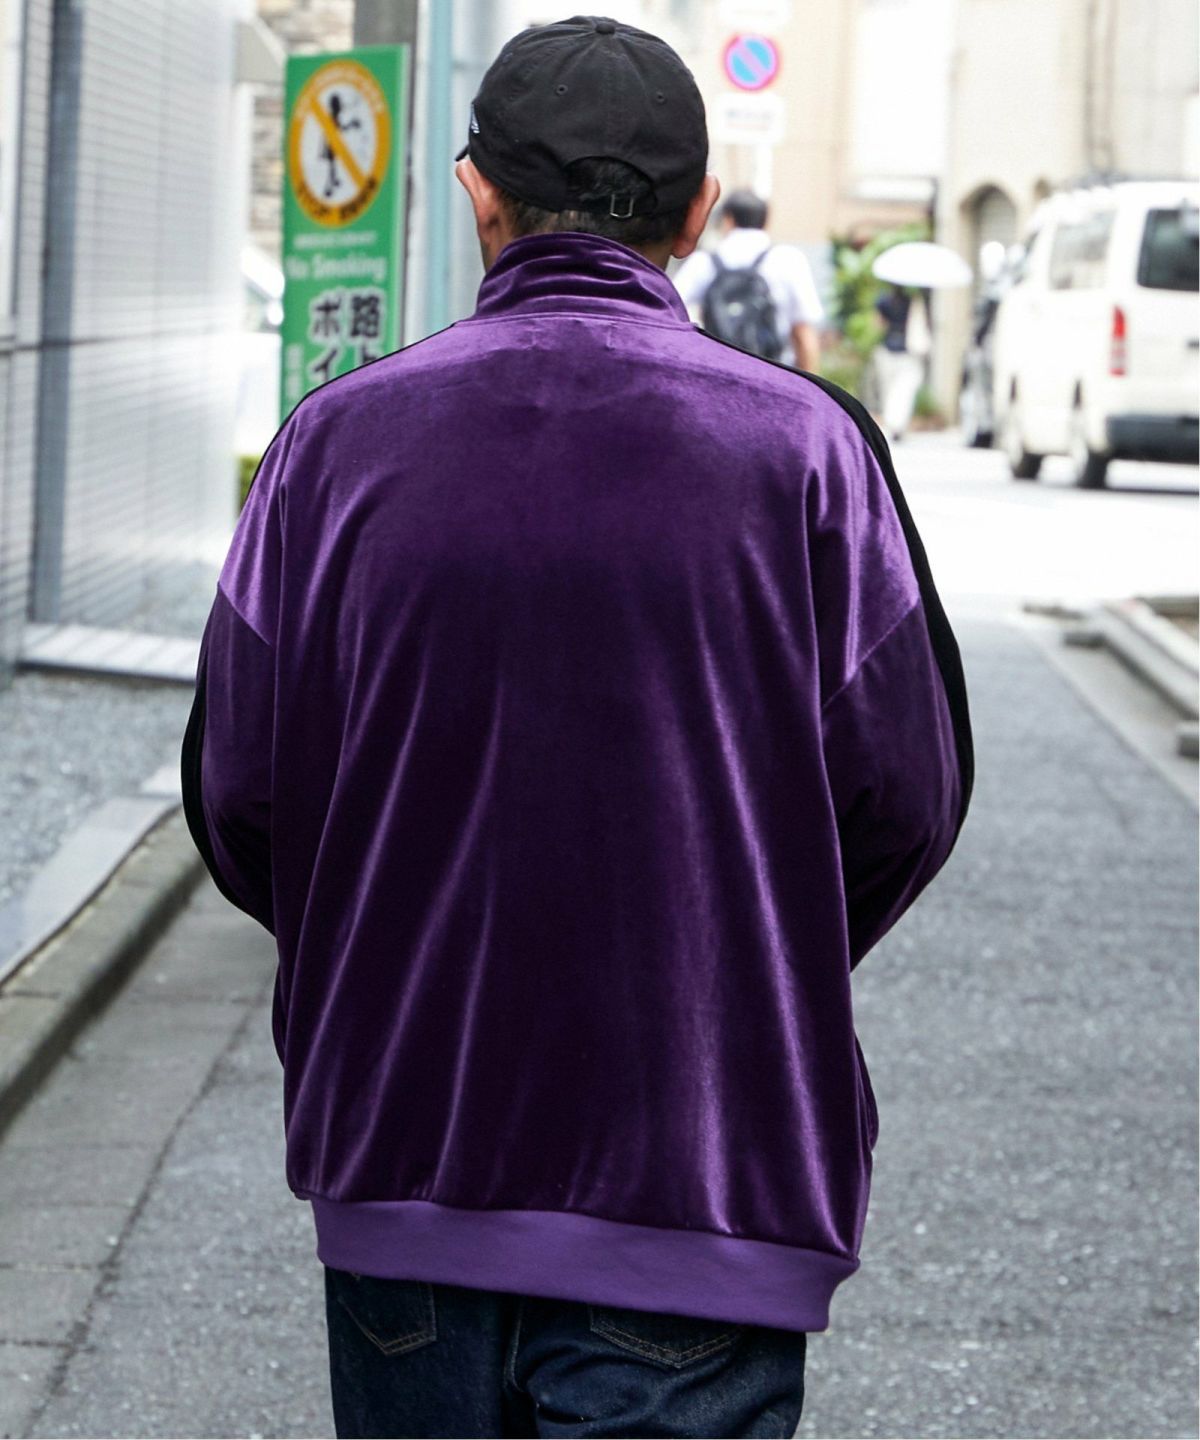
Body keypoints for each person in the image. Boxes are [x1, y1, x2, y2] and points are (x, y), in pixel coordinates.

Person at [181, 14, 973, 1438]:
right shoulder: (806, 451)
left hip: (403, 1162)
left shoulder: (330, 449)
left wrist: (381, 946)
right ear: (698, 212)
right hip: (703, 1173)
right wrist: (745, 943)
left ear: (478, 195)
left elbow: (240, 792)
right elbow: (907, 795)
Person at [671, 188, 825, 371]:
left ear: (728, 219)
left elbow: (671, 309)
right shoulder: (788, 259)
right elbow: (803, 331)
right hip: (774, 373)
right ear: (765, 221)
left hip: (719, 372)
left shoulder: (704, 262)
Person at [871, 282, 932, 443]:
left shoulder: (883, 301)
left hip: (888, 349)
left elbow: (878, 325)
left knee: (889, 389)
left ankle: (892, 422)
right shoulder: (913, 301)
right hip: (908, 352)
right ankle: (898, 424)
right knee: (904, 390)